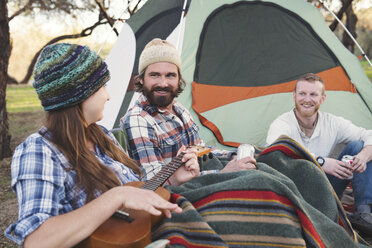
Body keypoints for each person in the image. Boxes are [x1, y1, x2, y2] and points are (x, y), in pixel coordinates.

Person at [4, 43, 204, 247]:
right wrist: (116, 197)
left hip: (145, 231)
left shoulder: (103, 136)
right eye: (102, 86)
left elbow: (137, 193)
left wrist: (173, 179)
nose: (108, 96)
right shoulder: (39, 150)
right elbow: (36, 241)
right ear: (79, 94)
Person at [121, 38, 256, 181]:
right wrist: (223, 173)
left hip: (202, 178)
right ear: (141, 79)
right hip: (179, 194)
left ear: (179, 79)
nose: (163, 83)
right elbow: (154, 182)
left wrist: (232, 156)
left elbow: (199, 148)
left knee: (263, 164)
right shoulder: (138, 120)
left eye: (170, 75)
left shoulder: (179, 109)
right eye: (154, 75)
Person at [266, 73, 372, 235]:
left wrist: (364, 155)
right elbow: (276, 151)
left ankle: (364, 214)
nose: (307, 99)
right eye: (302, 94)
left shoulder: (332, 122)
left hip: (326, 188)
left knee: (359, 146)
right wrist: (321, 162)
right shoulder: (282, 123)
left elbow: (368, 134)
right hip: (295, 191)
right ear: (294, 96)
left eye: (313, 94)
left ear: (322, 98)